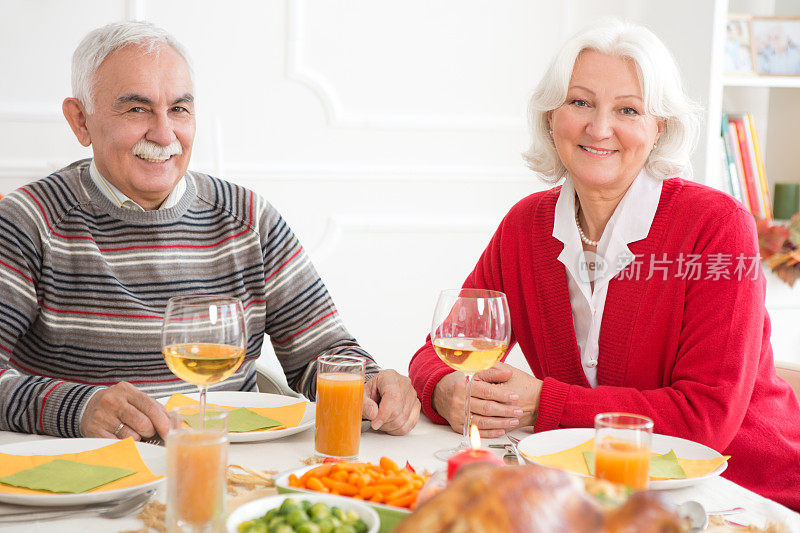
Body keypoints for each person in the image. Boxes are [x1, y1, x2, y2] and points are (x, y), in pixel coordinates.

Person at [409, 19, 800, 509]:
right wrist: (446, 389)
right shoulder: (525, 226)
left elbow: (706, 419)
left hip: (741, 497)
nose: (599, 128)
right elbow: (436, 351)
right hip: (602, 496)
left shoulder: (717, 228)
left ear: (659, 128)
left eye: (628, 110)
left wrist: (542, 403)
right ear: (552, 116)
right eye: (580, 102)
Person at [0, 21, 419, 441]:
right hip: (90, 480)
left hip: (237, 468)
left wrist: (370, 382)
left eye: (179, 109)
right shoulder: (28, 221)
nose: (165, 134)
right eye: (136, 109)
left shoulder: (250, 218)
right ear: (80, 121)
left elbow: (323, 353)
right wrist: (75, 408)